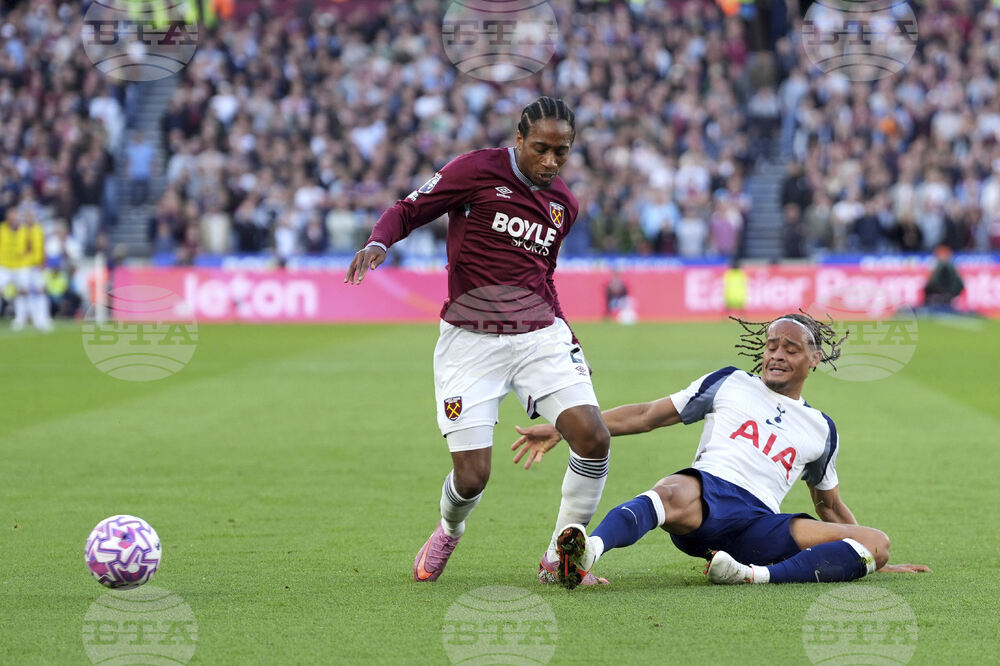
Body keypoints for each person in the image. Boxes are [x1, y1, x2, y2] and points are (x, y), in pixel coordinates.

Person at [345, 97, 612, 585]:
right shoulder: (476, 170)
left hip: (539, 337)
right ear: (518, 140)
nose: (551, 162)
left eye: (562, 152)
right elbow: (409, 209)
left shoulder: (563, 206)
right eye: (541, 149)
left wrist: (571, 339)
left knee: (593, 437)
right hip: (470, 344)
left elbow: (543, 278)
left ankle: (560, 557)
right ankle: (449, 528)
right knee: (472, 477)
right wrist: (378, 242)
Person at [512, 313, 930, 589]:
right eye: (771, 346)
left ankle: (751, 576)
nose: (777, 355)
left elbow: (830, 506)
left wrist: (864, 554)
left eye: (791, 348)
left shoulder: (821, 429)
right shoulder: (729, 382)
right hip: (706, 497)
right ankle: (586, 552)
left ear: (814, 358)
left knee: (877, 541)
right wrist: (566, 428)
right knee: (670, 489)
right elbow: (647, 415)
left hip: (759, 527)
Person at [922, 244, 965, 312]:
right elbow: (960, 284)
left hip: (940, 294)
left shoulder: (935, 266)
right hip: (950, 294)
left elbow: (930, 283)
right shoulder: (953, 265)